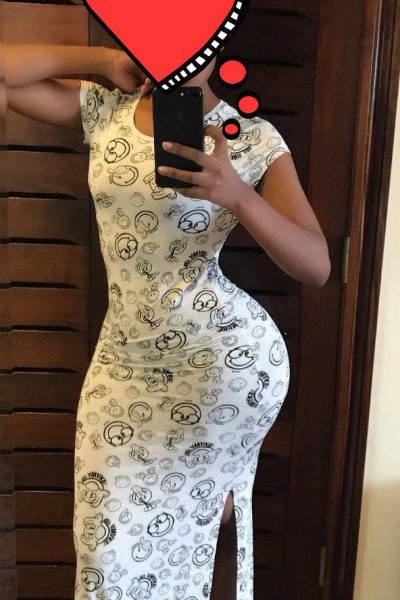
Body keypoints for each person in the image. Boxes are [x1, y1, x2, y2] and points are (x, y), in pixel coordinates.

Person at [6, 43, 330, 600]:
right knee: (104, 552)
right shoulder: (104, 109)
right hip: (122, 363)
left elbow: (317, 265)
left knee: (197, 539)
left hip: (218, 366)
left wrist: (239, 197)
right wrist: (102, 60)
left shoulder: (251, 137)